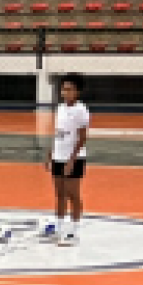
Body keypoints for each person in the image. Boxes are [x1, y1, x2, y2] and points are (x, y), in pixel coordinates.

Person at [46, 75, 89, 247]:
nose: (65, 92)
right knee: (59, 194)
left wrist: (72, 160)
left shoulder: (81, 110)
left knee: (73, 194)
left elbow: (82, 138)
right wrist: (51, 153)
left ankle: (74, 231)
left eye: (69, 89)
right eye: (63, 88)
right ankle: (59, 228)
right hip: (58, 155)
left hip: (74, 158)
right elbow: (58, 133)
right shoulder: (61, 108)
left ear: (77, 91)